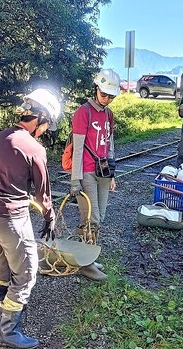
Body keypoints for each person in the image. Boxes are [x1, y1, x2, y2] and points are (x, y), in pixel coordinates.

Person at [0, 88, 60, 349]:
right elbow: (43, 192)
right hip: (10, 216)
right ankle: (10, 330)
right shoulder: (34, 148)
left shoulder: (0, 137)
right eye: (46, 125)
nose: (45, 131)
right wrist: (50, 217)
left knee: (4, 255)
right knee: (26, 271)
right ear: (39, 119)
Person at [70, 68, 120, 281]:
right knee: (92, 217)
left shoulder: (108, 114)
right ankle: (86, 264)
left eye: (111, 96)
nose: (107, 99)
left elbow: (110, 144)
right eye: (103, 94)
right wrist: (75, 180)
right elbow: (78, 148)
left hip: (103, 171)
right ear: (96, 89)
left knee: (101, 217)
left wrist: (113, 173)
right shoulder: (84, 112)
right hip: (87, 170)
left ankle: (88, 257)